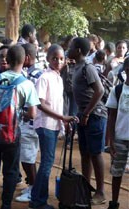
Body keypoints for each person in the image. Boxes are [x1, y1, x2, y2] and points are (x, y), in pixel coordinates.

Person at [0, 45, 39, 209]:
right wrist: (20, 113)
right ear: (24, 60)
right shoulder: (26, 83)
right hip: (11, 133)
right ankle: (6, 205)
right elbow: (33, 114)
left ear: (7, 59)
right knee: (10, 172)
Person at [28, 45, 77, 209]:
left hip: (54, 124)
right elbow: (39, 104)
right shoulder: (45, 77)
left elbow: (57, 104)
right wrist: (62, 118)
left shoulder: (58, 77)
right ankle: (38, 201)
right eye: (55, 58)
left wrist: (63, 122)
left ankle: (37, 197)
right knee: (47, 163)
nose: (58, 61)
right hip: (46, 125)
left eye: (61, 58)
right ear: (48, 58)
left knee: (47, 162)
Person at [67, 37, 107, 205]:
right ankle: (85, 187)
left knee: (95, 153)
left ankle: (100, 192)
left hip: (95, 115)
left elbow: (99, 90)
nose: (68, 49)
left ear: (78, 50)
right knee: (84, 152)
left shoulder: (87, 68)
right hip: (84, 115)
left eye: (70, 47)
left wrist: (88, 112)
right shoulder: (75, 67)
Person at [15, 43, 44, 203]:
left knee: (28, 157)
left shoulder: (33, 76)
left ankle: (33, 189)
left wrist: (26, 114)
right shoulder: (36, 72)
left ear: (27, 57)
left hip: (30, 123)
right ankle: (32, 186)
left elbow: (36, 101)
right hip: (30, 122)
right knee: (27, 155)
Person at [105, 57, 129, 209]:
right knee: (116, 172)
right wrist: (110, 141)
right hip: (120, 138)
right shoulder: (118, 90)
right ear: (126, 71)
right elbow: (111, 116)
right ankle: (114, 203)